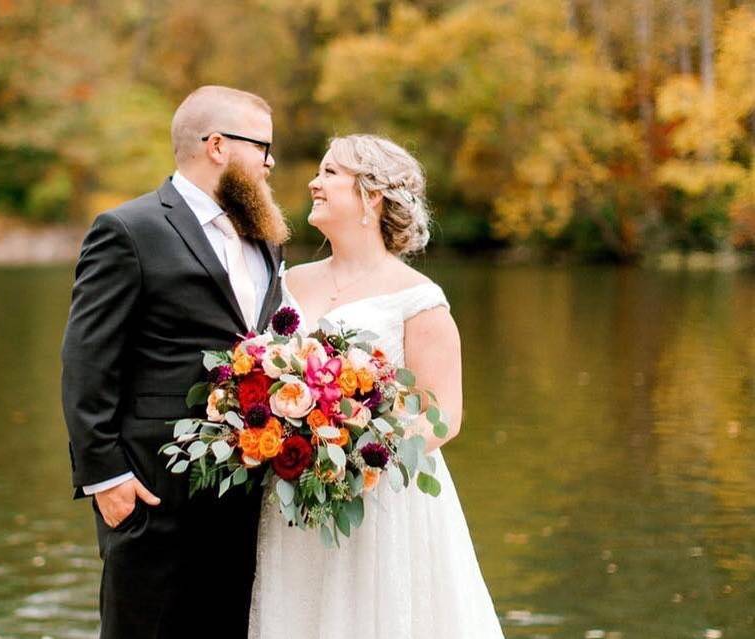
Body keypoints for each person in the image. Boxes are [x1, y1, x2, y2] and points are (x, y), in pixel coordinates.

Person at [249, 134, 505, 638]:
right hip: (293, 493)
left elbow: (443, 415)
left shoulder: (419, 300)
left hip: (375, 500)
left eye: (330, 173)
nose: (313, 183)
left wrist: (355, 460)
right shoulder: (286, 281)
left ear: (371, 196)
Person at [61, 85, 289, 639]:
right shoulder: (129, 229)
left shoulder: (266, 235)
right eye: (261, 146)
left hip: (243, 488)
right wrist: (106, 477)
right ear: (217, 146)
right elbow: (87, 361)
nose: (270, 162)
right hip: (151, 489)